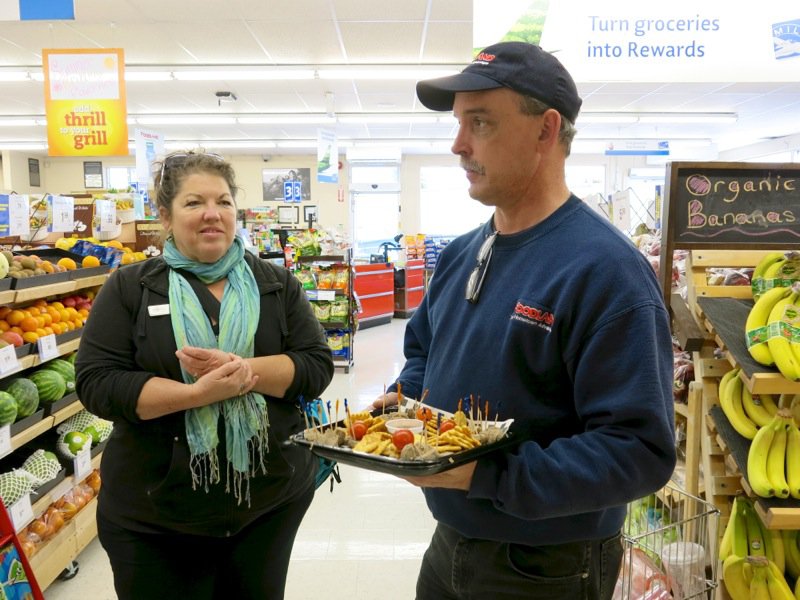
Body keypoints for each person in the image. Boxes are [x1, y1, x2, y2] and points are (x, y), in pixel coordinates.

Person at [373, 41, 676, 600]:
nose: (458, 144)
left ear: (546, 130)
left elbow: (639, 449)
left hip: (548, 564)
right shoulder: (464, 253)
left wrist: (485, 474)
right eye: (461, 123)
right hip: (450, 540)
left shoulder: (607, 271)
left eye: (480, 123)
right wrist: (405, 401)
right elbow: (424, 350)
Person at [75, 151, 334, 600]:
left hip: (266, 507)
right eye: (194, 203)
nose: (212, 214)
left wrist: (244, 371)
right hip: (154, 514)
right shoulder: (130, 288)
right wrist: (197, 394)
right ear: (166, 216)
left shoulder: (276, 284)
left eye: (224, 201)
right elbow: (97, 383)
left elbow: (315, 366)